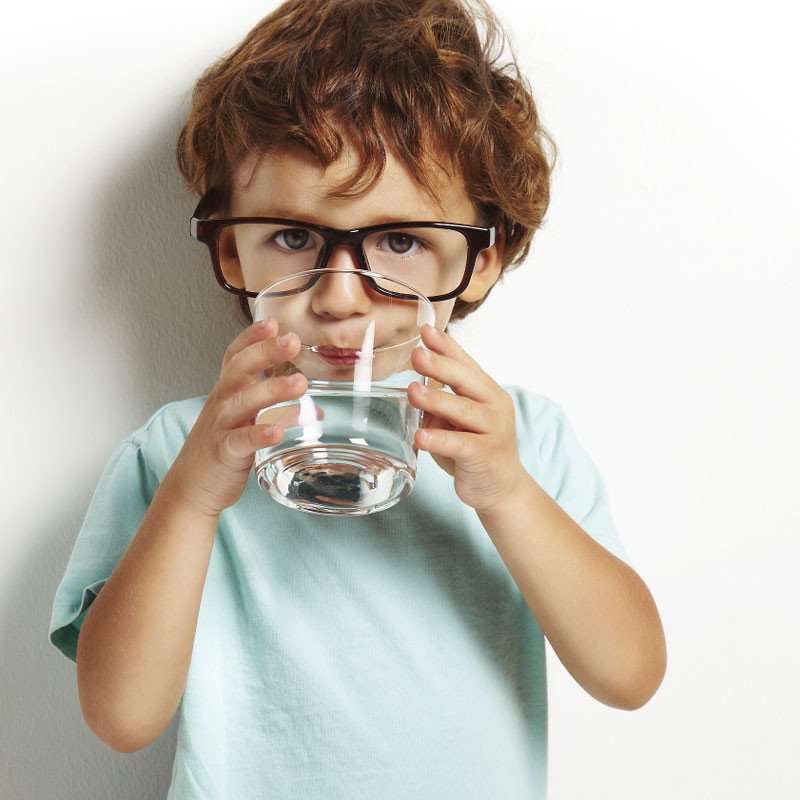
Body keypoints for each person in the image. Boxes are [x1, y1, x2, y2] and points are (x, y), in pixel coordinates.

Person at [49, 0, 667, 797]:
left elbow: (630, 675)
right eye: (293, 237)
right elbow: (121, 718)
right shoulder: (179, 450)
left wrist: (508, 492)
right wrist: (194, 497)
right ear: (230, 250)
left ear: (480, 260)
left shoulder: (524, 441)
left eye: (400, 241)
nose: (341, 296)